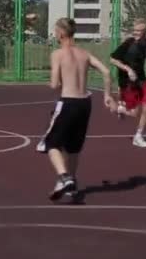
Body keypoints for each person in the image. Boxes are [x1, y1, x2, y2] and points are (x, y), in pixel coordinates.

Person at [37, 18, 115, 201]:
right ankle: (71, 185)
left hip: (68, 103)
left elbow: (55, 84)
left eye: (55, 31)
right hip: (84, 104)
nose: (54, 34)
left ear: (62, 33)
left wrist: (50, 82)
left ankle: (64, 178)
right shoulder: (85, 53)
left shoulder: (58, 54)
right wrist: (107, 96)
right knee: (73, 149)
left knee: (50, 144)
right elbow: (106, 72)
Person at [110, 18, 146, 148]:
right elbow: (112, 59)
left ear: (145, 32)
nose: (136, 33)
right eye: (134, 30)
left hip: (141, 79)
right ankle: (120, 108)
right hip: (127, 81)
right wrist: (128, 69)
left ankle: (138, 136)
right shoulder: (128, 43)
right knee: (134, 113)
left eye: (139, 31)